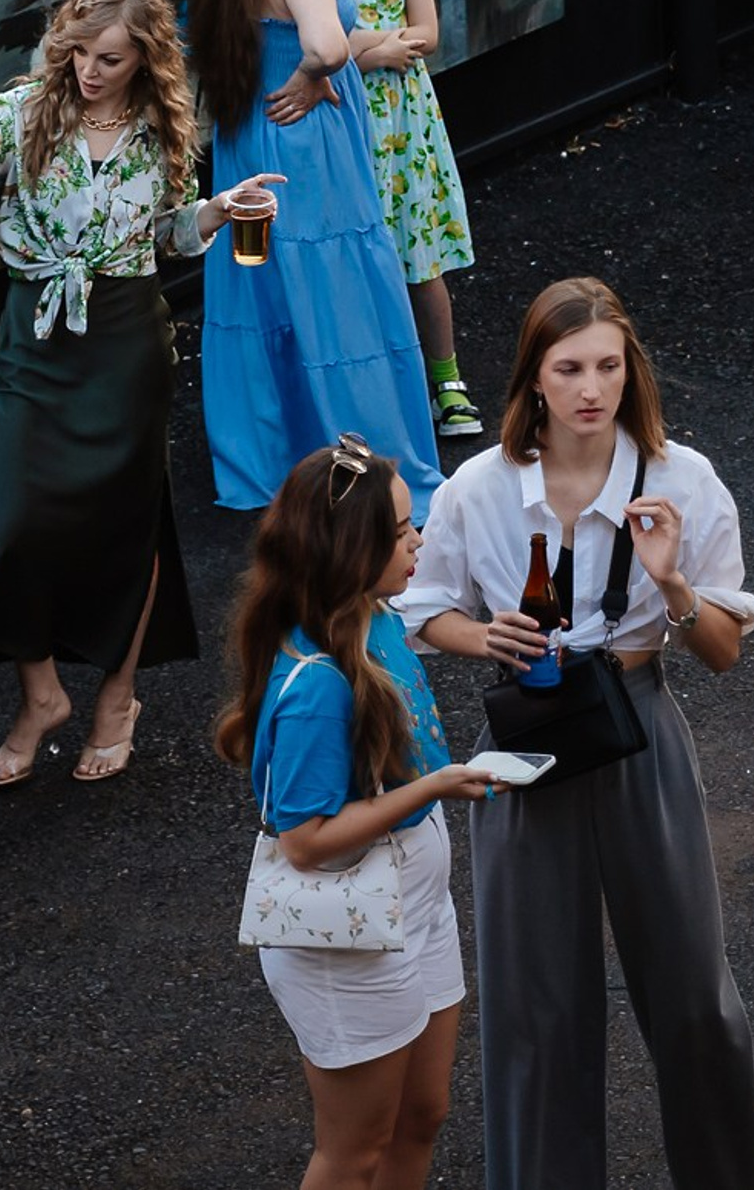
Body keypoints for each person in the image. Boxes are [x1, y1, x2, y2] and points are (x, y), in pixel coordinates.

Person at [400, 277, 754, 1190]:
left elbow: (725, 652)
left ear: (630, 370)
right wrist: (482, 632)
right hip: (526, 741)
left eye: (609, 366)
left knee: (693, 993)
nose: (591, 388)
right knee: (533, 1009)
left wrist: (677, 589)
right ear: (533, 377)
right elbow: (421, 612)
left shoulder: (682, 478)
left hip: (639, 722)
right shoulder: (478, 489)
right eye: (569, 367)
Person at [0, 0, 263, 785]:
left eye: (110, 58)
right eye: (81, 52)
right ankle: (40, 696)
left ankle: (116, 698)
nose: (90, 71)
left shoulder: (163, 124)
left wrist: (217, 207)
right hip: (36, 337)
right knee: (19, 523)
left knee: (128, 531)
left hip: (126, 340)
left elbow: (170, 233)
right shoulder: (20, 112)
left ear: (144, 60)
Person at [215, 438, 498, 1190]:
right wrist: (433, 790)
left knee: (421, 1115)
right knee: (354, 1151)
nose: (420, 540)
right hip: (349, 943)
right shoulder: (317, 689)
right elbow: (304, 843)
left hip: (416, 906)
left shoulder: (372, 616)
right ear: (351, 549)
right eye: (402, 531)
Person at [194, 0, 444, 516]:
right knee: (337, 289)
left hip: (248, 136)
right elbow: (328, 45)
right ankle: (360, 458)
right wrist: (312, 77)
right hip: (306, 144)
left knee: (261, 283)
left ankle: (272, 459)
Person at [310, 0, 483, 438]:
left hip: (407, 126)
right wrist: (372, 50)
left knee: (420, 252)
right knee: (361, 257)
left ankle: (447, 379)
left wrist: (376, 47)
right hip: (348, 121)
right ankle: (381, 385)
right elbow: (319, 40)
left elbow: (427, 32)